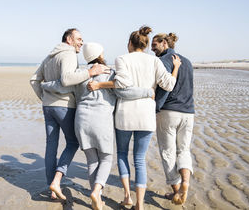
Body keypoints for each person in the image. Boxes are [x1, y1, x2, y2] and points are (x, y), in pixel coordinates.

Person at [41, 42, 154, 210]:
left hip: (81, 120)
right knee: (106, 158)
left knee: (92, 160)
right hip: (102, 121)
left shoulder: (80, 74)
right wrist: (148, 92)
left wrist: (44, 85)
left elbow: (61, 86)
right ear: (101, 54)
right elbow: (125, 91)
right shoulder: (109, 73)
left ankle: (97, 199)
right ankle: (96, 191)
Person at [87, 26, 181, 210]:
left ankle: (127, 197)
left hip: (125, 116)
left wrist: (99, 85)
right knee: (139, 159)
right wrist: (175, 68)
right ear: (145, 45)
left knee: (122, 154)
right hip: (146, 116)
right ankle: (139, 204)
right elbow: (169, 85)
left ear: (130, 43)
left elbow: (121, 83)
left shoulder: (122, 59)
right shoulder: (154, 61)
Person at [29, 29, 110, 200]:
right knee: (72, 143)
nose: (81, 42)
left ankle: (52, 187)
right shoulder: (69, 54)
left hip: (48, 107)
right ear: (69, 39)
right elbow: (67, 79)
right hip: (65, 106)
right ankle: (56, 183)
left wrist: (45, 98)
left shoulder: (49, 56)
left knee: (51, 146)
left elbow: (34, 80)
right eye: (79, 39)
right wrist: (90, 72)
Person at [151, 33, 195, 205]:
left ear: (164, 43)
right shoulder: (188, 61)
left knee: (168, 152)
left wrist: (155, 108)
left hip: (169, 112)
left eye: (155, 45)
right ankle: (185, 181)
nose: (152, 48)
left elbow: (163, 88)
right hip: (188, 112)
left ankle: (177, 191)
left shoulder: (163, 61)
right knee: (183, 150)